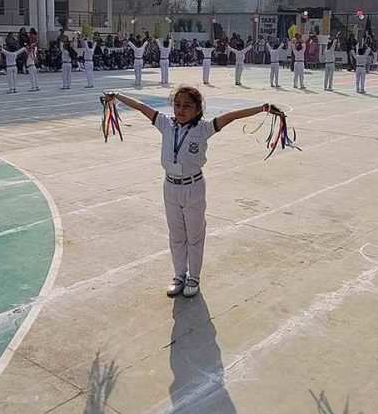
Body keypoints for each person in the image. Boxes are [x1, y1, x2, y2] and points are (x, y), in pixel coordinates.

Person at [103, 86, 275, 298]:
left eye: (187, 106)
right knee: (176, 235)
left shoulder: (203, 129)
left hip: (193, 187)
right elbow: (141, 107)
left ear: (197, 109)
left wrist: (263, 108)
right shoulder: (165, 124)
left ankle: (194, 277)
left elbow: (232, 116)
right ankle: (179, 276)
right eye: (177, 105)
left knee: (194, 235)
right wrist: (117, 96)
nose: (181, 110)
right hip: (170, 187)